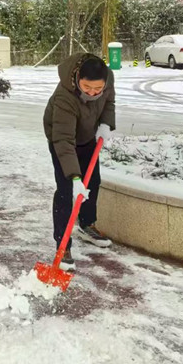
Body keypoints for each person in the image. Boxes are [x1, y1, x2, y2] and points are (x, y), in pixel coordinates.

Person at [43, 53, 115, 271]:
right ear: (77, 79)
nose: (92, 93)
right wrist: (74, 177)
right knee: (66, 190)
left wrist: (106, 123)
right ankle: (62, 244)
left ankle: (87, 224)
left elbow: (109, 101)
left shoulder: (107, 79)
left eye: (97, 88)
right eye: (87, 87)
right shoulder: (64, 97)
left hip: (87, 136)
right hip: (62, 140)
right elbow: (63, 140)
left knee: (92, 182)